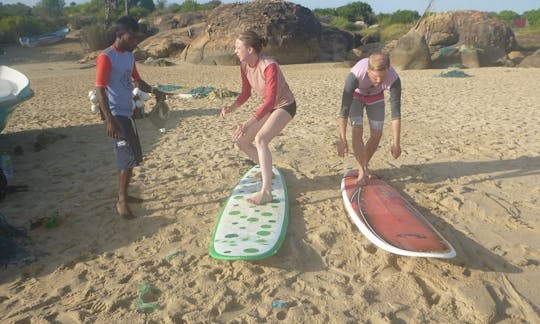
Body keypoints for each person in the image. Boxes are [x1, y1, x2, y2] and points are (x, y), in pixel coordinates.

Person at [95, 16, 167, 219]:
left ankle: (125, 194)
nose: (134, 42)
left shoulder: (129, 56)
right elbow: (100, 90)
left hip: (128, 113)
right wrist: (109, 120)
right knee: (125, 159)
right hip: (116, 114)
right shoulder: (106, 57)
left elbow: (137, 81)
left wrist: (154, 91)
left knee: (133, 156)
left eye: (136, 38)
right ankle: (121, 200)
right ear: (119, 35)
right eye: (131, 37)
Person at [220, 30, 296, 205]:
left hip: (285, 105)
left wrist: (247, 123)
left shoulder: (270, 66)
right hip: (269, 107)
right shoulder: (244, 66)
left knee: (261, 139)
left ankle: (266, 192)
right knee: (242, 142)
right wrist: (230, 108)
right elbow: (246, 93)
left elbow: (270, 100)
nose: (235, 51)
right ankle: (266, 169)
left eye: (238, 47)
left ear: (250, 50)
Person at [337, 53, 402, 185]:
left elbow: (396, 114)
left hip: (376, 97)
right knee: (357, 129)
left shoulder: (394, 79)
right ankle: (362, 171)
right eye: (375, 77)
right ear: (368, 71)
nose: (379, 81)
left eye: (382, 77)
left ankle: (364, 165)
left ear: (388, 69)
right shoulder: (355, 75)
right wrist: (342, 139)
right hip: (356, 96)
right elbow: (344, 110)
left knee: (377, 133)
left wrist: (396, 143)